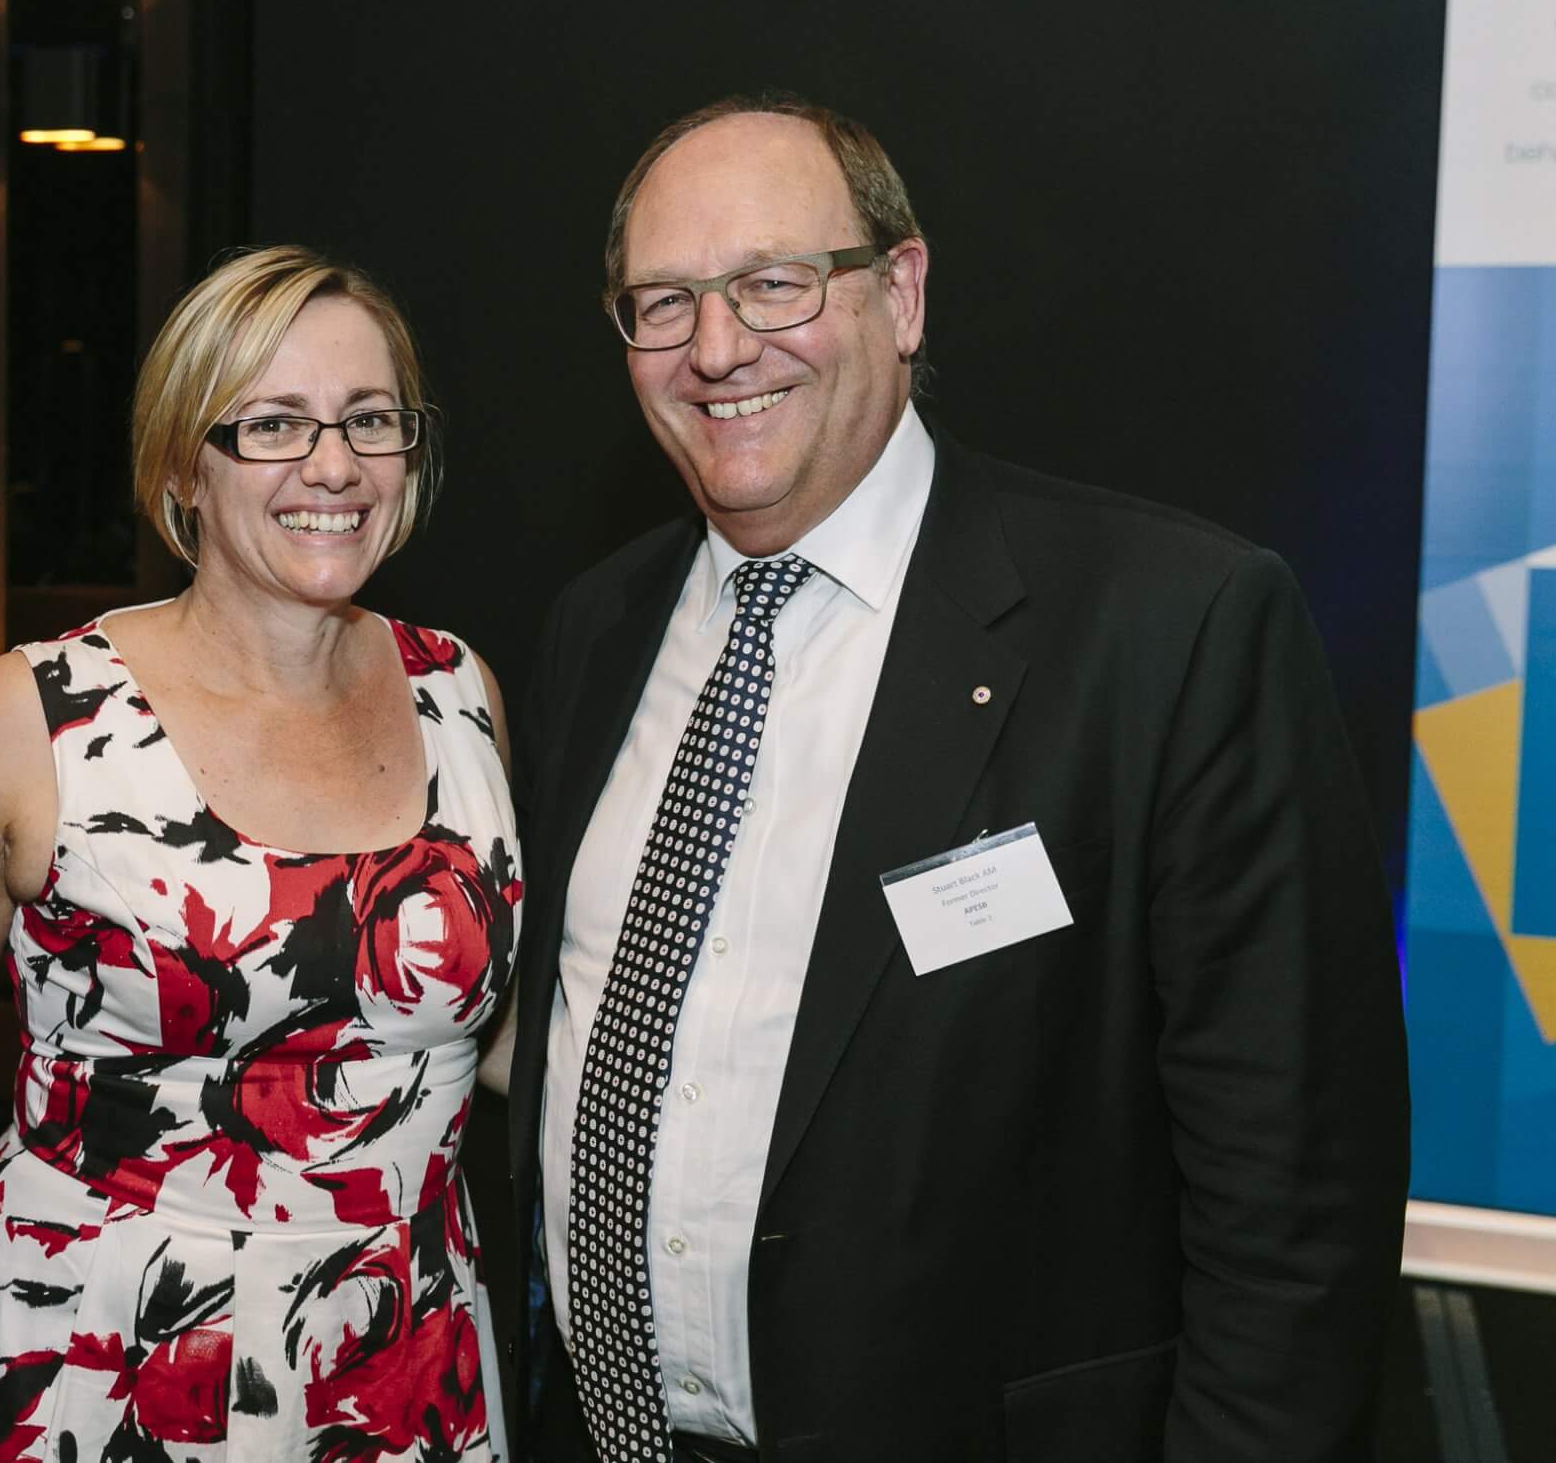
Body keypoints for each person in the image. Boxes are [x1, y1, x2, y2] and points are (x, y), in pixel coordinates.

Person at [507, 92, 1409, 1462]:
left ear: (901, 293)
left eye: (773, 282)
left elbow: (1295, 1203)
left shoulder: (1168, 628)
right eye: (664, 302)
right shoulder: (597, 629)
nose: (718, 348)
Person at [0, 246, 523, 1461]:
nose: (332, 466)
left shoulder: (456, 689)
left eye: (369, 419)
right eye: (273, 424)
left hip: (395, 1346)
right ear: (185, 462)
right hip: (109, 1353)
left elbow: (475, 1026)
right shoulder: (40, 716)